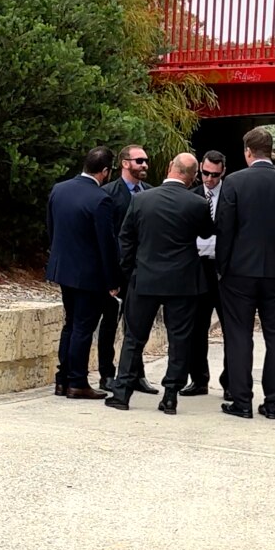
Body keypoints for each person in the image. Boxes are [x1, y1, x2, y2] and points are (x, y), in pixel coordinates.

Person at [105, 153, 214, 415]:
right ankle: (171, 396)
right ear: (193, 177)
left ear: (169, 168)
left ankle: (122, 393)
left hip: (145, 278)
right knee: (179, 339)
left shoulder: (141, 200)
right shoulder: (198, 203)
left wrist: (127, 273)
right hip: (183, 281)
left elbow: (126, 239)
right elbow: (206, 232)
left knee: (134, 338)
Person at [215, 127, 275, 420]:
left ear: (248, 151)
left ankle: (241, 401)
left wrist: (222, 267)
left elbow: (224, 228)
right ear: (270, 151)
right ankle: (273, 403)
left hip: (239, 272)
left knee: (239, 335)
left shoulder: (234, 182)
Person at [45, 146, 121, 400]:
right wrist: (113, 280)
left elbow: (52, 228)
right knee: (82, 327)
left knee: (70, 323)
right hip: (89, 275)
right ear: (105, 171)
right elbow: (106, 244)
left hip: (63, 269)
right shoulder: (101, 199)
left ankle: (62, 379)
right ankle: (77, 382)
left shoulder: (59, 189)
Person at [99, 144, 158, 395]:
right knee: (109, 323)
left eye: (146, 161)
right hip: (115, 270)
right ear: (125, 163)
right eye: (139, 160)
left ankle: (136, 375)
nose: (144, 165)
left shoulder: (151, 193)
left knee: (136, 327)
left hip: (142, 270)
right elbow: (106, 235)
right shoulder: (108, 194)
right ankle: (106, 374)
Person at [180, 150, 230, 399]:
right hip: (198, 266)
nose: (209, 179)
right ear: (200, 168)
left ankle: (230, 382)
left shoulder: (231, 197)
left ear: (223, 172)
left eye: (215, 175)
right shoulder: (191, 196)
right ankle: (198, 379)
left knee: (231, 327)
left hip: (223, 270)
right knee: (197, 326)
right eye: (205, 173)